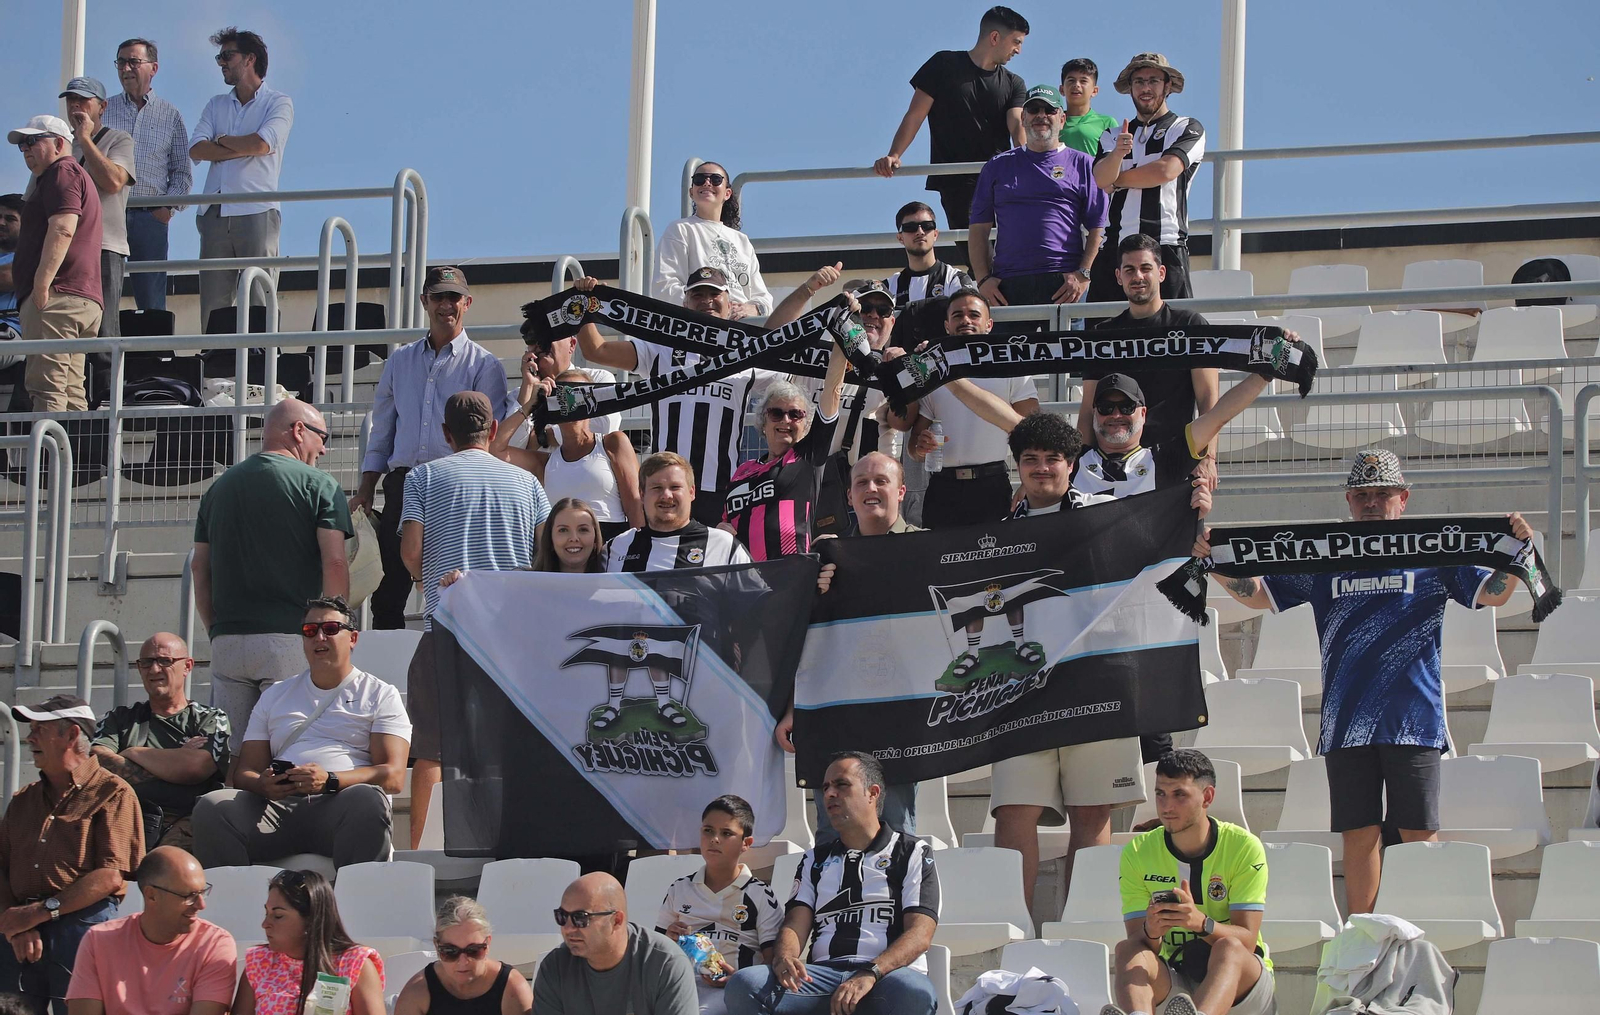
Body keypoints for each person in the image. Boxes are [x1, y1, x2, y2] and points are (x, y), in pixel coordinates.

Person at [1202, 450, 1532, 917]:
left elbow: (1492, 595)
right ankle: (1365, 941)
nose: (1372, 504)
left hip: (1413, 720)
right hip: (1346, 722)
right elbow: (1258, 595)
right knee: (1359, 835)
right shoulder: (1325, 552)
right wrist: (1211, 561)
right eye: (1362, 496)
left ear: (1404, 498)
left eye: (1382, 494)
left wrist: (1515, 553)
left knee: (1419, 835)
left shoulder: (1432, 550)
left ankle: (1421, 936)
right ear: (1349, 500)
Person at [399, 391, 551, 849]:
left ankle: (422, 853)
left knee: (432, 750)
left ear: (446, 434)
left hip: (446, 626)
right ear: (491, 430)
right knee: (509, 746)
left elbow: (411, 553)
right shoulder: (526, 483)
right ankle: (515, 843)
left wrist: (429, 577)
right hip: (510, 633)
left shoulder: (423, 476)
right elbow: (544, 556)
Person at [191, 597, 411, 869]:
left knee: (367, 800)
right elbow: (245, 771)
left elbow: (393, 776)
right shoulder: (275, 694)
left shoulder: (379, 694)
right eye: (310, 631)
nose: (320, 636)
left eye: (330, 629)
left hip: (342, 807)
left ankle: (357, 905)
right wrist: (263, 784)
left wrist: (329, 780)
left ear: (352, 638)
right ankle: (232, 906)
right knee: (212, 807)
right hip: (277, 810)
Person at [352, 265, 510, 630]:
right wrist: (366, 487)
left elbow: (490, 436)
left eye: (453, 297)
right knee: (388, 585)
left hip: (456, 483)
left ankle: (456, 656)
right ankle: (390, 675)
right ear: (424, 301)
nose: (446, 305)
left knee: (454, 579)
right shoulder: (399, 361)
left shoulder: (485, 364)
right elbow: (383, 430)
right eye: (438, 296)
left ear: (467, 302)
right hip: (403, 482)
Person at [192, 398, 352, 750]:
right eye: (321, 437)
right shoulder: (320, 486)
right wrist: (334, 628)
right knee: (290, 752)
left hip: (228, 643)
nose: (323, 449)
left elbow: (198, 568)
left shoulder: (217, 489)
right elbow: (336, 564)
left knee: (233, 757)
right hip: (291, 640)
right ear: (298, 431)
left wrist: (216, 630)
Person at [724, 752, 938, 1015]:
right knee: (745, 984)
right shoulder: (814, 859)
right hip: (821, 979)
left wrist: (869, 973)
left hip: (886, 978)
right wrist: (785, 958)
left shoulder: (913, 852)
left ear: (872, 793)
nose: (829, 794)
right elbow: (794, 924)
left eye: (841, 785)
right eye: (825, 787)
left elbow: (920, 935)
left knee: (915, 992)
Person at [576, 270, 782, 526]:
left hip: (721, 489)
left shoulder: (744, 352)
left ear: (730, 304)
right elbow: (597, 350)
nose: (706, 300)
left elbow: (785, 347)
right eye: (698, 294)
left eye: (714, 293)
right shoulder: (660, 347)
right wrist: (585, 305)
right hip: (666, 489)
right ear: (684, 303)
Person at [801, 454, 922, 843]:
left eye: (881, 481)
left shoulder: (929, 547)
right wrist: (814, 592)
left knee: (897, 832)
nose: (871, 489)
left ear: (901, 491)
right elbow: (806, 636)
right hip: (842, 711)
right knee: (833, 833)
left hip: (903, 714)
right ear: (850, 496)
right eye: (861, 483)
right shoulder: (827, 554)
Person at [0, 696, 143, 1015]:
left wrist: (36, 914)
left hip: (81, 925)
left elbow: (110, 875)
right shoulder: (23, 800)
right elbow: (1, 869)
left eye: (39, 729)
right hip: (21, 930)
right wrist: (17, 923)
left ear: (71, 735)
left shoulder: (114, 792)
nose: (29, 737)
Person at [1107, 750, 1275, 1015]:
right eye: (1160, 793)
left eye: (1179, 795)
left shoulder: (1243, 846)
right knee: (1128, 949)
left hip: (1243, 988)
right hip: (1176, 984)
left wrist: (1200, 923)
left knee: (1228, 947)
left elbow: (1247, 941)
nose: (1166, 806)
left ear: (1207, 797)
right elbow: (1140, 944)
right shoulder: (1137, 851)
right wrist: (1152, 930)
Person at [875, 6, 1029, 267]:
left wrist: (1028, 161)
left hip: (999, 179)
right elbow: (915, 115)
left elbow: (1016, 125)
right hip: (957, 183)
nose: (1018, 50)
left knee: (1010, 252)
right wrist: (894, 155)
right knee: (977, 257)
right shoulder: (943, 64)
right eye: (1016, 42)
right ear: (994, 38)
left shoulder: (1014, 83)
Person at [895, 289, 1039, 528]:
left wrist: (1027, 484)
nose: (966, 321)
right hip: (943, 488)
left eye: (974, 314)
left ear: (989, 324)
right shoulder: (932, 373)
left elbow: (1036, 433)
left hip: (992, 485)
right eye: (958, 315)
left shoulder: (1011, 368)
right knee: (940, 561)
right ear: (947, 325)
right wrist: (921, 448)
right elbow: (914, 449)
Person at [189, 26, 294, 327]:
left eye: (227, 55)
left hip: (257, 209)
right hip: (214, 210)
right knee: (214, 300)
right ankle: (213, 368)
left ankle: (262, 366)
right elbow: (196, 149)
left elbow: (262, 144)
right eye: (219, 56)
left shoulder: (279, 102)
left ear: (249, 59)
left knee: (259, 295)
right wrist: (242, 146)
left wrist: (221, 141)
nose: (221, 62)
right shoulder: (215, 104)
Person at [1077, 233, 1219, 453]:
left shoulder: (1191, 326)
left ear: (1161, 273)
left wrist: (1208, 459)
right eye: (1129, 270)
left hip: (1174, 459)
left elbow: (1208, 401)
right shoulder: (1101, 335)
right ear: (1118, 276)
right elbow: (1088, 409)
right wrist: (1081, 461)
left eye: (1146, 268)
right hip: (1115, 462)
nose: (1138, 277)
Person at [970, 84, 1106, 309]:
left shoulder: (1084, 164)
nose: (1041, 116)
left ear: (1062, 119)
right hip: (1007, 285)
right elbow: (978, 228)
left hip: (1064, 283)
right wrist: (983, 280)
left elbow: (1099, 226)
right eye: (1034, 110)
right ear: (1023, 118)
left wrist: (1084, 274)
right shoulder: (997, 165)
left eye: (1049, 110)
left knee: (1065, 345)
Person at [90, 633, 231, 850]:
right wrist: (176, 764)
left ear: (187, 666)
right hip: (126, 820)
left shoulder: (210, 718)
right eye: (147, 662)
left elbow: (196, 767)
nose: (154, 670)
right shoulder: (120, 718)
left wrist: (131, 752)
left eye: (165, 661)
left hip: (187, 824)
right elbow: (97, 762)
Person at [1087, 54, 1206, 305]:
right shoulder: (1112, 135)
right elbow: (1099, 179)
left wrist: (1118, 180)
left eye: (1153, 80)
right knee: (1102, 336)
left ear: (1168, 86)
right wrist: (1119, 153)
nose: (1145, 88)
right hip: (1115, 248)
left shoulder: (1186, 127)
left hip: (1166, 245)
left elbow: (1164, 170)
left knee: (1174, 335)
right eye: (1138, 81)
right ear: (1130, 88)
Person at [64, 847, 237, 1015]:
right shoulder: (98, 941)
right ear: (151, 895)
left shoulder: (214, 944)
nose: (201, 905)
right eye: (189, 896)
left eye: (203, 892)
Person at [8, 115, 102, 413]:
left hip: (57, 299)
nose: (25, 148)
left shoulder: (61, 171)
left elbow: (63, 227)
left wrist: (41, 284)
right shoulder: (70, 173)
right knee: (72, 393)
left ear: (60, 143)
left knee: (47, 389)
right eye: (22, 144)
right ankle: (72, 460)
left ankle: (49, 460)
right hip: (78, 298)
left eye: (33, 141)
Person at [656, 796, 783, 1015]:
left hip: (734, 991)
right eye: (708, 830)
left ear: (746, 843)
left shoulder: (760, 893)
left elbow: (773, 959)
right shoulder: (679, 888)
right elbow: (657, 950)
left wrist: (740, 980)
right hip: (682, 985)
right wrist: (669, 937)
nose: (714, 839)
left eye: (726, 833)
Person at [721, 355, 845, 561]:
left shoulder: (806, 457)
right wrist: (721, 530)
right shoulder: (742, 471)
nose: (786, 420)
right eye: (776, 413)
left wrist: (841, 341)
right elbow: (726, 521)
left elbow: (832, 391)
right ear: (763, 421)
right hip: (745, 579)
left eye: (795, 414)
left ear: (806, 424)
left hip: (791, 575)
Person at [493, 370, 641, 541]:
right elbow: (496, 449)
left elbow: (634, 505)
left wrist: (637, 553)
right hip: (564, 553)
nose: (572, 402)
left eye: (579, 393)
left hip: (609, 550)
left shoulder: (612, 443)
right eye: (562, 395)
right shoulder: (544, 463)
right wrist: (529, 406)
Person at [103, 37, 191, 312]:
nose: (126, 68)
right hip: (108, 214)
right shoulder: (103, 110)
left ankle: (155, 353)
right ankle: (100, 354)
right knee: (103, 293)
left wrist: (165, 209)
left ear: (153, 68)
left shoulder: (171, 115)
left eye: (133, 61)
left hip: (150, 217)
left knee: (151, 298)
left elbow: (182, 174)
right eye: (121, 62)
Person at [534, 873, 697, 1015]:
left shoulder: (666, 964)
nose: (568, 928)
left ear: (616, 921)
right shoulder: (554, 967)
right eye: (562, 916)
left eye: (581, 918)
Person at [233, 869, 384, 1015]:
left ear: (311, 920)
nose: (265, 924)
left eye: (278, 916)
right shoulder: (259, 962)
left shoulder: (354, 964)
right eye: (267, 913)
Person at [56, 78, 135, 339]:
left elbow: (113, 182)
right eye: (71, 100)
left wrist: (85, 140)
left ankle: (105, 382)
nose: (76, 105)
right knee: (62, 325)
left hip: (104, 247)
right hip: (61, 247)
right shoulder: (59, 146)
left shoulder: (118, 139)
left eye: (83, 99)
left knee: (104, 329)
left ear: (102, 106)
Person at [655, 163, 772, 318]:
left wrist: (755, 309)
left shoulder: (742, 240)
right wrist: (712, 308)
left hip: (743, 329)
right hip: (703, 327)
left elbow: (764, 299)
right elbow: (664, 287)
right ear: (691, 192)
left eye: (716, 179)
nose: (707, 182)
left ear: (727, 193)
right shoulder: (680, 229)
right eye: (699, 179)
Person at [607, 453, 751, 573]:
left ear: (691, 492)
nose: (666, 495)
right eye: (657, 488)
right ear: (642, 494)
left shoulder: (723, 546)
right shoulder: (615, 549)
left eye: (675, 487)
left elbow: (758, 602)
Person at [392, 897, 533, 1015]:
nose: (463, 961)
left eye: (473, 950)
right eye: (450, 952)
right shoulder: (417, 992)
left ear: (487, 943)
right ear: (436, 946)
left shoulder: (512, 988)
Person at [501, 321, 620, 452]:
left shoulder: (597, 379)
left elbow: (604, 427)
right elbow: (510, 448)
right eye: (533, 340)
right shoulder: (519, 396)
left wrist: (541, 437)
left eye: (549, 337)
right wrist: (527, 390)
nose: (540, 345)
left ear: (572, 345)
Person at [882, 204, 973, 308]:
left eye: (927, 226)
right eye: (910, 227)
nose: (920, 232)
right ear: (900, 238)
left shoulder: (955, 279)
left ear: (935, 234)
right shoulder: (888, 287)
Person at [1058, 58, 1118, 156]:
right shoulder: (1053, 122)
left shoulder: (1107, 123)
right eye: (1071, 80)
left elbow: (1117, 162)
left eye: (1083, 81)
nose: (1076, 85)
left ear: (1094, 91)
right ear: (1061, 89)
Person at [0, 195, 22, 353]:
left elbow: (4, 278)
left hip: (11, 333)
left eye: (10, 218)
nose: (1, 223)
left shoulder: (34, 256)